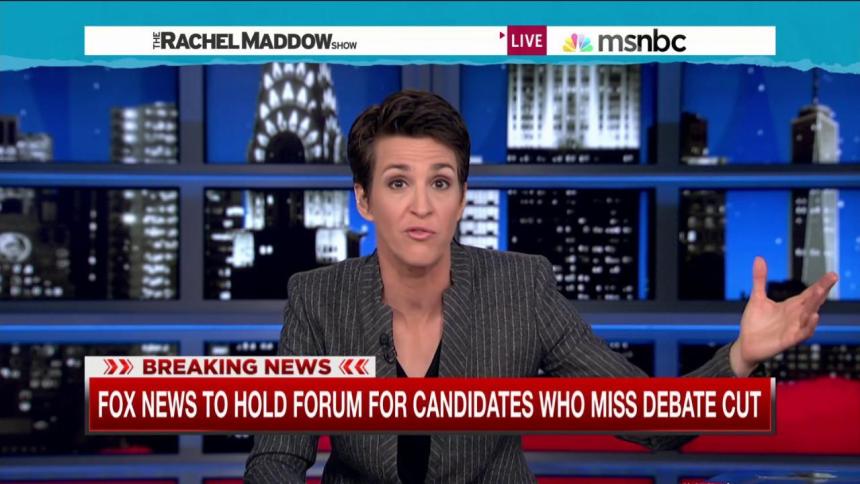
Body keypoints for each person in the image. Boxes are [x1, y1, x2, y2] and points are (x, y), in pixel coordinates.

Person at [245, 90, 839, 483]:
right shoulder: (319, 299)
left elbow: (651, 421)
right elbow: (276, 456)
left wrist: (740, 357)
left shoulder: (519, 289)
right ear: (364, 199)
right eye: (398, 182)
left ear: (461, 199)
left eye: (441, 182)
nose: (421, 205)